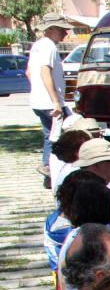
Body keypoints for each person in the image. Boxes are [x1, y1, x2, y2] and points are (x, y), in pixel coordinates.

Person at [28, 13, 74, 176]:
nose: (65, 33)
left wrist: (38, 92)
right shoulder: (49, 46)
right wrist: (55, 101)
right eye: (62, 29)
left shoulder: (37, 46)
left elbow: (28, 73)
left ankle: (52, 168)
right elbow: (45, 72)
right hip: (51, 103)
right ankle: (50, 166)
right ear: (51, 29)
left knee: (52, 133)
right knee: (66, 131)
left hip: (38, 101)